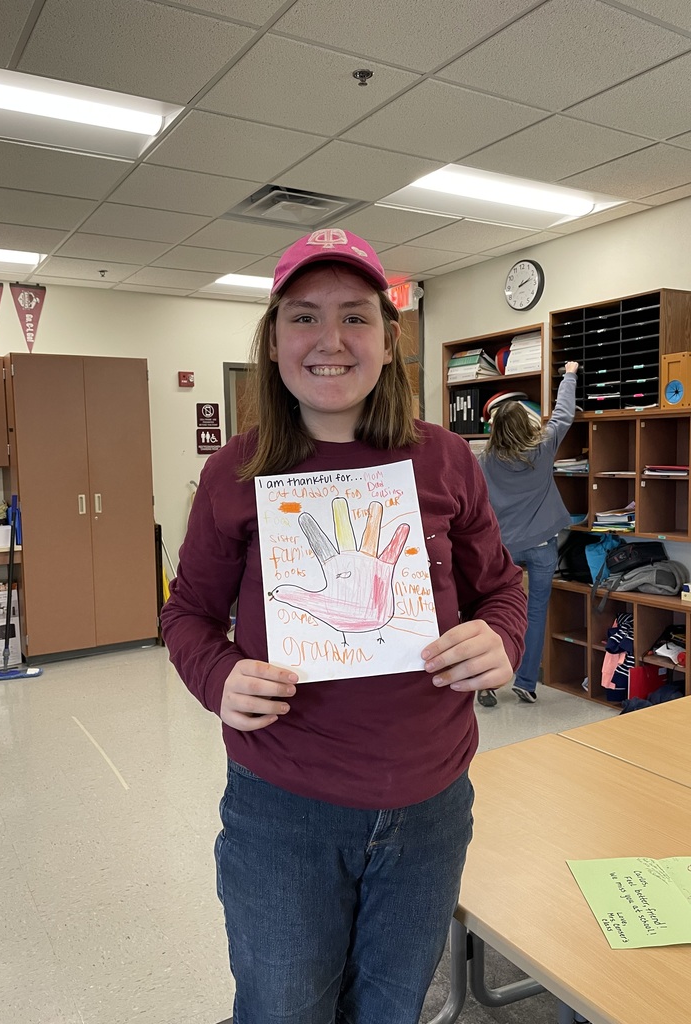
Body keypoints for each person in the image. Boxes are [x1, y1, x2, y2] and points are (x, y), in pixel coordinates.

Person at [161, 228, 527, 1024]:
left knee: (392, 1010)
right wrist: (219, 678)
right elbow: (186, 612)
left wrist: (501, 639)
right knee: (283, 1008)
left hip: (432, 805)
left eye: (356, 317)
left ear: (389, 341)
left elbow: (501, 588)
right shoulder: (237, 471)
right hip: (284, 806)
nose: (331, 340)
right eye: (304, 317)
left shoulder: (443, 460)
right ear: (274, 340)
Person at [477, 361, 579, 707]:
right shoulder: (543, 447)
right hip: (541, 547)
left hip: (501, 549)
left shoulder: (484, 460)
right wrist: (570, 374)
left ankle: (487, 683)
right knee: (535, 612)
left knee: (493, 610)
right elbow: (563, 414)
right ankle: (526, 681)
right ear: (528, 424)